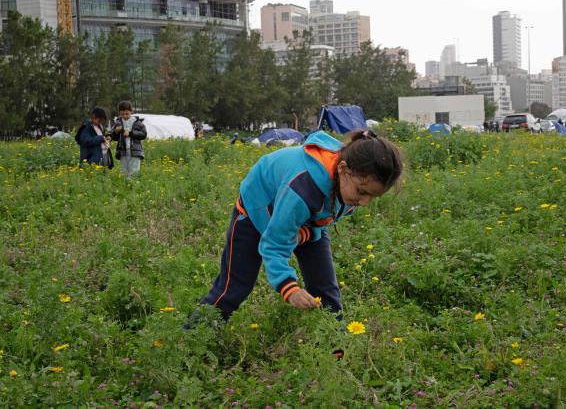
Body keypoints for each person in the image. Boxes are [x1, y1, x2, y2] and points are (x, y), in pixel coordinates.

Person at [192, 130, 403, 322]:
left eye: (373, 197)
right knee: (234, 287)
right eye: (362, 192)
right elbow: (274, 243)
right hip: (258, 212)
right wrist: (289, 288)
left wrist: (305, 234)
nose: (364, 203)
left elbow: (323, 219)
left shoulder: (350, 185)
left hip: (305, 218)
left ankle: (335, 349)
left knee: (326, 291)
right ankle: (193, 338)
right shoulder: (302, 190)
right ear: (342, 169)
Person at [112, 101, 146, 179]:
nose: (125, 116)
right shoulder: (118, 123)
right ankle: (125, 187)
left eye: (127, 113)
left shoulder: (137, 122)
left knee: (134, 170)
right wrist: (116, 132)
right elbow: (114, 137)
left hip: (135, 150)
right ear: (119, 113)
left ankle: (133, 187)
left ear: (131, 112)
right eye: (122, 114)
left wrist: (131, 133)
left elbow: (144, 134)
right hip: (123, 150)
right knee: (124, 170)